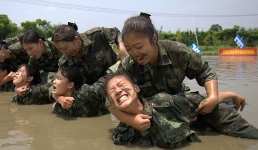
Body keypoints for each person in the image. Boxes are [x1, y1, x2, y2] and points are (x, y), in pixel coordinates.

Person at [103, 13, 258, 139]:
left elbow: (205, 71)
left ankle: (226, 99)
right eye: (129, 48)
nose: (134, 54)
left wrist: (212, 98)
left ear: (154, 39)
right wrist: (133, 121)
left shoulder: (178, 52)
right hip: (155, 113)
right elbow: (108, 98)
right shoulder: (127, 65)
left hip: (182, 104)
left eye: (138, 46)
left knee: (233, 124)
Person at [103, 72, 258, 148]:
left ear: (136, 88)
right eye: (112, 91)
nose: (117, 90)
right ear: (112, 104)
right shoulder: (122, 135)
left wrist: (232, 94)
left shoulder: (164, 102)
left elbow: (201, 101)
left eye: (122, 85)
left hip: (210, 116)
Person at [50, 22, 127, 108]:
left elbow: (116, 33)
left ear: (76, 39)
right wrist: (59, 98)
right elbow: (53, 84)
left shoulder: (96, 35)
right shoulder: (65, 61)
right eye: (60, 50)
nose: (64, 52)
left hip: (120, 78)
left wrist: (122, 47)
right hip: (97, 91)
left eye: (65, 48)